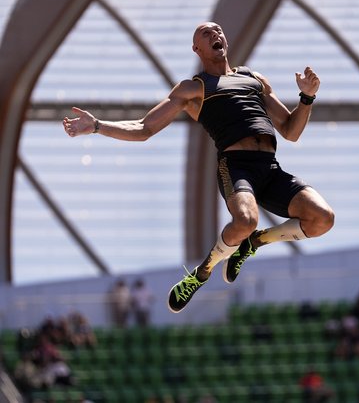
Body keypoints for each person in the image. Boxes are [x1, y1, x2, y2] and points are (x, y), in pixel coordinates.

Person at [62, 22, 335, 313]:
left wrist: (306, 98)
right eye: (206, 34)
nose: (216, 34)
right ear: (197, 49)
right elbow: (143, 128)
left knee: (323, 219)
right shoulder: (193, 88)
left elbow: (291, 131)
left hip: (270, 167)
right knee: (245, 219)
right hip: (236, 167)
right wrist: (98, 127)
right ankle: (202, 272)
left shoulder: (254, 78)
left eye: (219, 30)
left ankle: (255, 242)